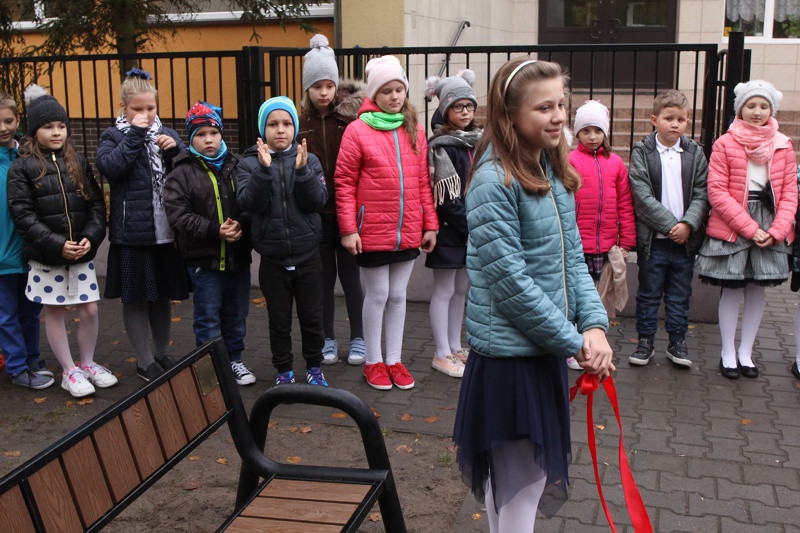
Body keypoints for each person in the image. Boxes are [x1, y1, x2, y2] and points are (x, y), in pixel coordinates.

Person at [453, 58, 615, 531]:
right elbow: (513, 288)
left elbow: (572, 261)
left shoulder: (548, 165)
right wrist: (577, 343)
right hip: (509, 364)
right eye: (544, 108)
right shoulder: (493, 181)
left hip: (541, 350)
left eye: (561, 104)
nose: (560, 117)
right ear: (510, 115)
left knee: (517, 485)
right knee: (519, 488)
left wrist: (595, 324)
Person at [335, 55, 439, 391]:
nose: (395, 96)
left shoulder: (415, 131)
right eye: (387, 90)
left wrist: (430, 223)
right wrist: (349, 228)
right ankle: (373, 362)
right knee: (377, 294)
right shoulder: (357, 130)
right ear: (374, 94)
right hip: (372, 231)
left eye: (400, 90)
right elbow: (344, 182)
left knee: (398, 296)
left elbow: (424, 181)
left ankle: (394, 360)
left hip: (408, 229)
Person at [7, 86, 114, 398]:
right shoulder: (22, 167)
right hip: (47, 256)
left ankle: (88, 363)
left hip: (81, 254)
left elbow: (96, 205)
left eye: (61, 126)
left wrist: (91, 238)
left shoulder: (77, 161)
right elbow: (23, 216)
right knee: (54, 311)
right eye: (48, 127)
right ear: (34, 131)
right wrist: (56, 244)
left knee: (90, 310)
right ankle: (69, 370)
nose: (56, 132)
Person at [695, 80, 797, 380]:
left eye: (763, 106)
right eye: (751, 106)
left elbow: (790, 192)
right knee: (732, 287)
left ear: (772, 109)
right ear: (740, 109)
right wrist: (750, 229)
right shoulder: (725, 143)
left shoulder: (784, 144)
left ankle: (746, 352)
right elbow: (717, 191)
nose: (757, 111)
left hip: (771, 222)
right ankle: (727, 352)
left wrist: (778, 230)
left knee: (756, 289)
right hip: (735, 222)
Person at [96, 68, 189, 383]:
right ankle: (144, 360)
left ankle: (163, 352)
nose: (146, 114)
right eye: (138, 109)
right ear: (123, 108)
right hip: (132, 234)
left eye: (150, 108)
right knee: (136, 297)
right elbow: (111, 167)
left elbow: (187, 170)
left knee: (162, 294)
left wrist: (175, 151)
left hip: (165, 232)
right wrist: (135, 135)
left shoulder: (167, 133)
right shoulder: (114, 136)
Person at [237, 96, 330, 387]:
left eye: (287, 123)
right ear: (263, 129)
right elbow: (249, 203)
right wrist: (264, 171)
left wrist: (302, 172)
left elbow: (317, 201)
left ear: (295, 127)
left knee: (312, 318)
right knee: (279, 321)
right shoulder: (250, 162)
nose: (280, 130)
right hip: (273, 260)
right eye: (273, 124)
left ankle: (315, 366)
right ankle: (283, 371)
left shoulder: (309, 159)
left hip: (308, 257)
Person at [163, 101, 255, 385]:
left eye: (213, 133)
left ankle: (234, 360)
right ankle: (209, 369)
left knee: (236, 314)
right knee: (207, 318)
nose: (208, 139)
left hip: (238, 259)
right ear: (191, 138)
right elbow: (179, 216)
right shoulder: (182, 171)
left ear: (221, 134)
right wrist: (215, 230)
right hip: (205, 261)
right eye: (201, 134)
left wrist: (242, 222)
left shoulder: (238, 165)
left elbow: (251, 201)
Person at [297, 34, 366, 366]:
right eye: (316, 86)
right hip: (316, 213)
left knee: (352, 279)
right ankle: (327, 338)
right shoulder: (300, 122)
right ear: (307, 89)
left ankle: (359, 338)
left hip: (347, 212)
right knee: (323, 281)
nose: (324, 92)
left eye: (328, 85)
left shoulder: (350, 117)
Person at [627, 89, 709, 368]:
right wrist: (672, 225)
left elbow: (701, 192)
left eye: (682, 119)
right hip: (654, 241)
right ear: (654, 119)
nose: (676, 124)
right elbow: (641, 195)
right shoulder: (642, 151)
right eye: (669, 118)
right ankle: (645, 342)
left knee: (679, 294)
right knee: (648, 293)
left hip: (684, 242)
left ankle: (677, 342)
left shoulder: (695, 152)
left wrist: (688, 224)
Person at [568, 99, 636, 370]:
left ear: (605, 132)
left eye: (597, 130)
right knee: (572, 294)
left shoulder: (616, 164)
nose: (592, 136)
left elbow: (625, 203)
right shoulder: (569, 159)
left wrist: (627, 241)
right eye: (586, 131)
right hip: (577, 243)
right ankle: (572, 346)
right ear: (577, 133)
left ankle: (590, 342)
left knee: (595, 296)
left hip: (605, 244)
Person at [422, 69, 482, 378]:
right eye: (458, 107)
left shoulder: (477, 142)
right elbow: (445, 198)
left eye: (469, 106)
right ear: (446, 110)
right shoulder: (441, 145)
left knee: (462, 290)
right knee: (444, 291)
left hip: (470, 229)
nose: (465, 112)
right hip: (451, 230)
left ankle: (455, 345)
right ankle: (440, 352)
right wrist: (471, 224)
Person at [0, 91, 52, 389]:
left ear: (18, 120)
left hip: (28, 249)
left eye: (9, 121)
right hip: (2, 253)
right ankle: (17, 366)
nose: (3, 128)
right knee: (6, 314)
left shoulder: (29, 157)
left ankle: (33, 358)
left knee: (31, 308)